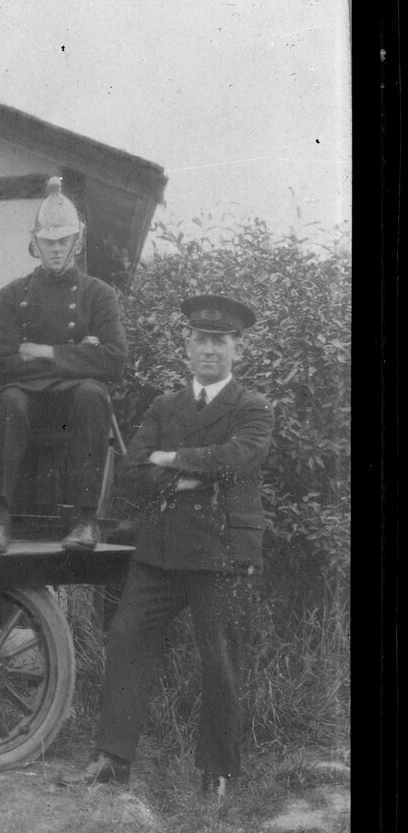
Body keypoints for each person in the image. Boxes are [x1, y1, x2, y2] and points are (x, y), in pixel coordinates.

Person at [63, 295, 274, 803]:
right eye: (200, 340)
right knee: (127, 639)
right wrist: (189, 476)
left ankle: (217, 772)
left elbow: (237, 459)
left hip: (221, 552)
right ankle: (113, 758)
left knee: (221, 659)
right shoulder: (165, 405)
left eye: (219, 342)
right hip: (160, 553)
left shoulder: (254, 407)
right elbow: (134, 472)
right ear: (187, 346)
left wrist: (173, 459)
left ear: (236, 350)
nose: (209, 350)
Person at [0, 177, 128, 553]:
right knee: (9, 401)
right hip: (27, 396)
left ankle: (85, 519)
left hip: (75, 400)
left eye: (63, 241)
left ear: (76, 241)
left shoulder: (99, 294)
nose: (57, 249)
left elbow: (114, 360)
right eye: (49, 242)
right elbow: (9, 363)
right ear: (35, 244)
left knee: (94, 393)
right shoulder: (13, 295)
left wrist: (45, 353)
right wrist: (80, 354)